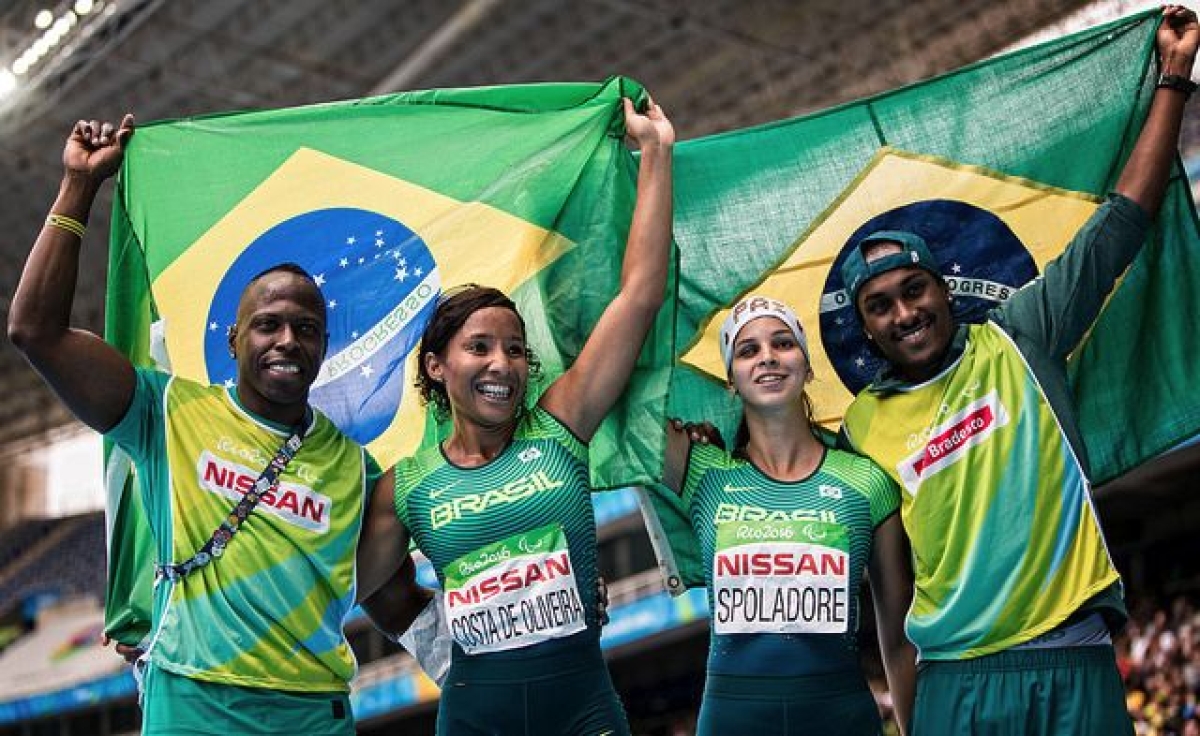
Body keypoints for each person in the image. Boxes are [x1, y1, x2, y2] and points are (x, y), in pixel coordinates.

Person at [836, 7, 1199, 734]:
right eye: (880, 305)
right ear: (864, 327)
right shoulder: (858, 426)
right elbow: (892, 593)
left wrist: (1173, 78)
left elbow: (1121, 222)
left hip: (1074, 662)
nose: (904, 313)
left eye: (915, 289)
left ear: (947, 289)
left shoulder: (1022, 334)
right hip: (955, 685)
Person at [8, 115, 430, 735]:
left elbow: (393, 600)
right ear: (234, 339)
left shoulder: (353, 466)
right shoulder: (164, 410)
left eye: (307, 329)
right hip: (192, 706)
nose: (288, 339)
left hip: (311, 712)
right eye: (269, 324)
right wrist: (78, 187)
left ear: (323, 346)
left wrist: (524, 634)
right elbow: (34, 331)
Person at [359, 95, 673, 735]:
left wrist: (657, 153)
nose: (503, 362)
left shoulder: (561, 425)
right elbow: (346, 588)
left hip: (587, 711)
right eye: (479, 347)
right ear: (436, 368)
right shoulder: (405, 486)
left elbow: (639, 295)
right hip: (475, 717)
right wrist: (439, 635)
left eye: (516, 348)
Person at [660, 295, 915, 736]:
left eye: (783, 344)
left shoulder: (866, 481)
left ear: (808, 365)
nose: (768, 359)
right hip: (731, 722)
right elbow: (621, 382)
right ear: (731, 383)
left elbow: (898, 643)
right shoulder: (700, 469)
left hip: (842, 719)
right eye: (748, 350)